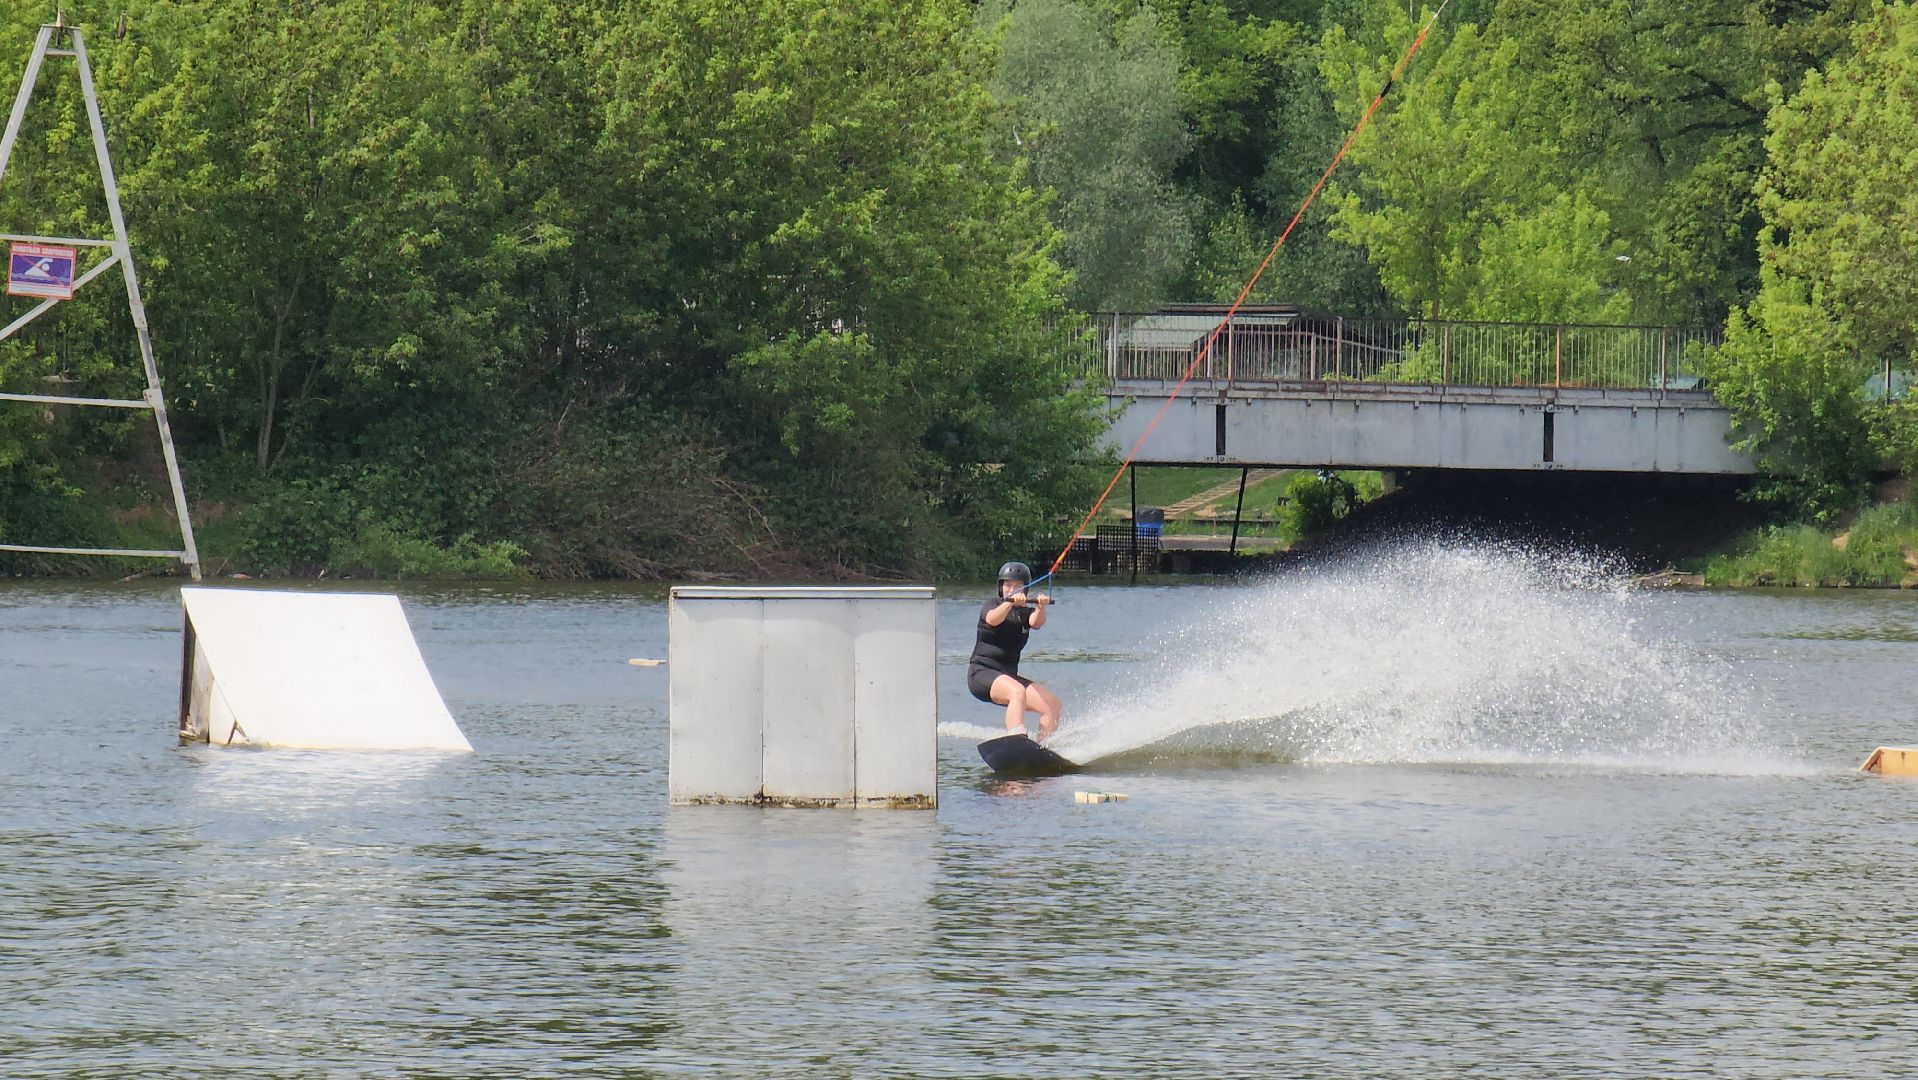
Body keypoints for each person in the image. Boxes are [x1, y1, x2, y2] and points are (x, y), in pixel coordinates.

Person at [967, 560, 1063, 742]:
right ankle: (1016, 739)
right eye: (1008, 585)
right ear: (1001, 587)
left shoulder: (1024, 613)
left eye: (1018, 586)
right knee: (1017, 692)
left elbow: (1037, 622)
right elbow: (993, 620)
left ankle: (1045, 748)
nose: (1012, 589)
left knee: (1052, 704)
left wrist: (1041, 607)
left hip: (1008, 677)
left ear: (1025, 589)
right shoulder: (992, 605)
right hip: (982, 674)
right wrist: (1009, 602)